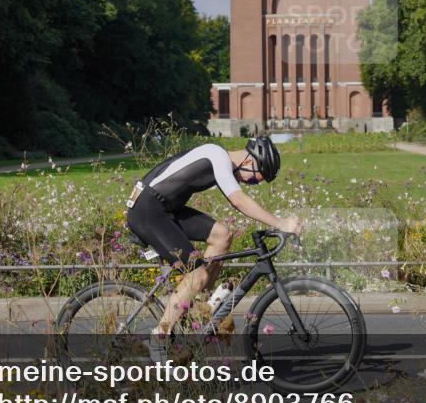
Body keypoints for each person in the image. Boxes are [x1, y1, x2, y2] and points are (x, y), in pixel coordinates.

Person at [126, 136, 302, 344]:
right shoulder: (216, 155)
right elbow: (238, 200)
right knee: (198, 275)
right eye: (254, 179)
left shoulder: (218, 158)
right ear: (248, 162)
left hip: (165, 208)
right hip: (147, 210)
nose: (249, 183)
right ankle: (159, 340)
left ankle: (200, 308)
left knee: (222, 234)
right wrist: (280, 223)